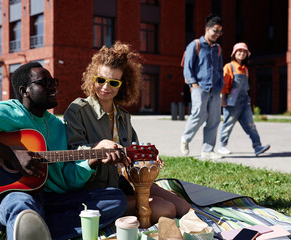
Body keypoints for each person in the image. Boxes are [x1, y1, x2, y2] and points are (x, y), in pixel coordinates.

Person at [0, 62, 129, 240]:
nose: (53, 87)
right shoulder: (11, 112)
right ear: (24, 91)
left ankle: (33, 229)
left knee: (114, 198)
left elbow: (67, 180)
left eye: (54, 82)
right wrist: (11, 155)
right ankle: (29, 224)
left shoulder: (58, 127)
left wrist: (93, 160)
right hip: (13, 197)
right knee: (23, 204)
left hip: (50, 199)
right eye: (45, 83)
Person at [64, 41, 191, 225]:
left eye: (113, 82)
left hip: (124, 182)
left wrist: (147, 160)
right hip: (95, 190)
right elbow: (73, 152)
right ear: (93, 78)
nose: (105, 87)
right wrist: (98, 148)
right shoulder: (78, 111)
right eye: (101, 80)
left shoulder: (123, 117)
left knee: (181, 205)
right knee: (167, 209)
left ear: (122, 85)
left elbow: (133, 153)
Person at [180, 14, 225, 160]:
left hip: (215, 88)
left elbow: (219, 69)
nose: (217, 35)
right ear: (207, 29)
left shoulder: (218, 48)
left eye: (220, 32)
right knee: (198, 115)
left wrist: (221, 86)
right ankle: (186, 139)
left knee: (214, 119)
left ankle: (207, 150)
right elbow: (187, 67)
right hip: (199, 86)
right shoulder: (195, 45)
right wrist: (193, 84)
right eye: (215, 31)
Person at [218, 42, 270, 156]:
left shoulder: (245, 69)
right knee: (228, 124)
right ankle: (222, 146)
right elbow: (224, 85)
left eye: (244, 51)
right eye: (239, 51)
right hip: (231, 102)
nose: (242, 53)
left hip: (244, 101)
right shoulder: (229, 67)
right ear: (234, 53)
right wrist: (222, 100)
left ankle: (257, 147)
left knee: (251, 125)